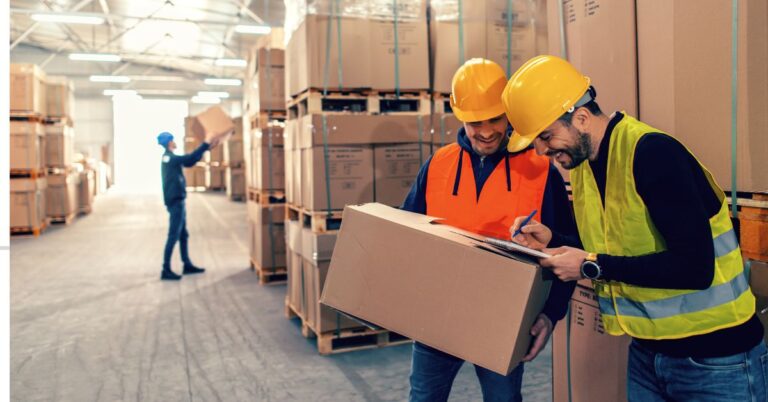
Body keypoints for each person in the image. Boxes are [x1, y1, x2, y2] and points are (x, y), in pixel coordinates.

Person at [505, 55, 766, 401]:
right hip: (647, 354)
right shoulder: (584, 165)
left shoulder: (653, 154)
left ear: (580, 117)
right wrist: (555, 240)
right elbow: (612, 245)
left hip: (716, 360)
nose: (540, 151)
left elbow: (695, 268)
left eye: (545, 136)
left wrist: (587, 265)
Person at [402, 58, 577, 402]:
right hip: (438, 317)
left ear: (508, 114)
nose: (486, 131)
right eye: (474, 122)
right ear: (460, 118)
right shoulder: (438, 165)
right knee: (423, 397)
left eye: (495, 119)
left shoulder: (541, 170)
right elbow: (407, 235)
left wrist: (550, 314)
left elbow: (567, 247)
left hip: (504, 321)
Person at [157, 131, 218, 281]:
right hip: (176, 202)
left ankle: (187, 264)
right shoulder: (170, 158)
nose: (175, 141)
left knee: (183, 234)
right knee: (174, 235)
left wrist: (207, 149)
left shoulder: (169, 158)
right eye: (173, 139)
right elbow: (188, 159)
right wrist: (205, 143)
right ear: (169, 142)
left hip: (178, 200)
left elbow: (189, 162)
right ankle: (166, 269)